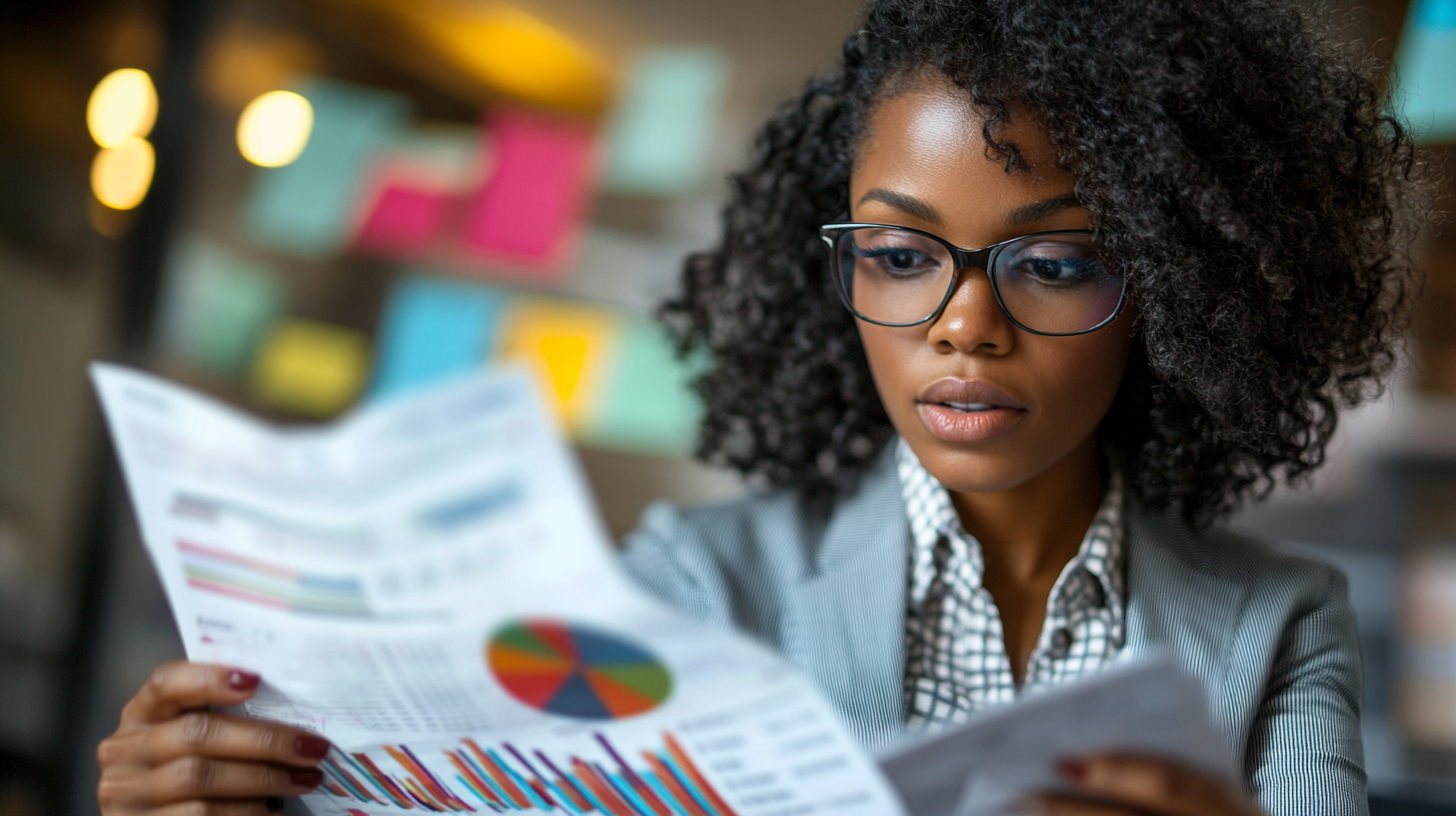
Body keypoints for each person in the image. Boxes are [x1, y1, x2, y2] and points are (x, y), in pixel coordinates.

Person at [96, 0, 1423, 813]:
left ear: (1178, 292)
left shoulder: (1276, 627)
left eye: (1057, 260)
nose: (964, 321)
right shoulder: (691, 575)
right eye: (901, 256)